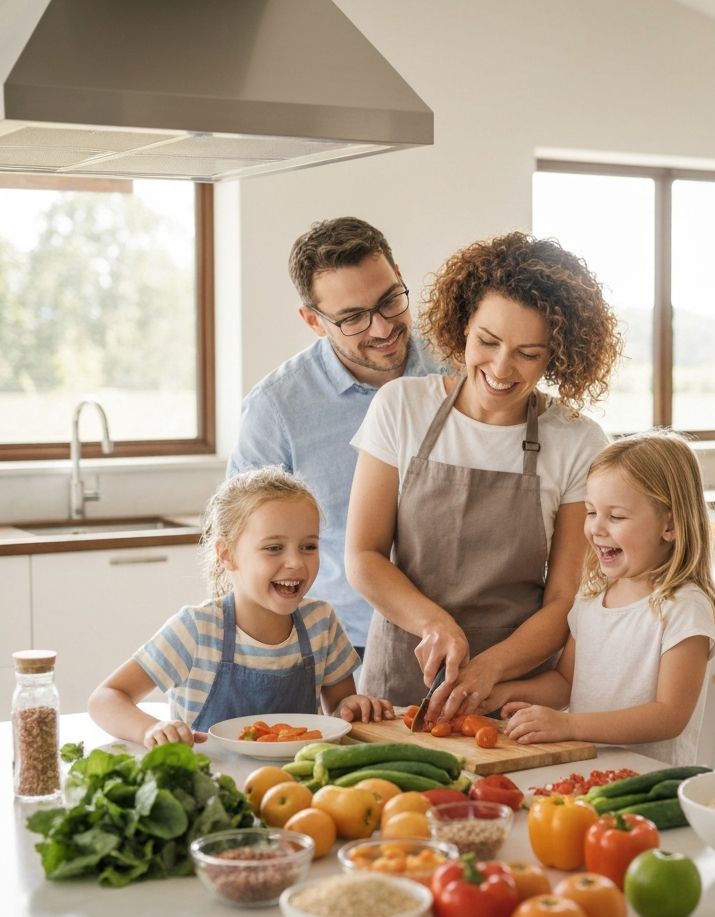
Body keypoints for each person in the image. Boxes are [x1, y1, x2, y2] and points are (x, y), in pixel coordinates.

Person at [346, 231, 622, 720]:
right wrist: (436, 625)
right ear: (462, 325)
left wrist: (487, 670)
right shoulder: (402, 408)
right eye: (487, 342)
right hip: (398, 684)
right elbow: (363, 557)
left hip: (510, 692)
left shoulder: (577, 440)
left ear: (556, 354)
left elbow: (564, 600)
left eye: (528, 353)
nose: (501, 368)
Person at [227, 217, 436, 658]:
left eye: (389, 302)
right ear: (313, 321)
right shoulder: (276, 409)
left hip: (470, 636)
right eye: (353, 318)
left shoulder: (460, 366)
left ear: (399, 276)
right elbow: (242, 548)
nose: (381, 329)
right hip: (343, 650)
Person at [88, 467, 392, 749]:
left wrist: (352, 706)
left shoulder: (320, 623)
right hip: (211, 790)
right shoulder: (197, 629)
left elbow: (339, 709)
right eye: (274, 548)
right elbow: (106, 697)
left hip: (296, 792)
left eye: (308, 546)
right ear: (227, 554)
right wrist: (150, 729)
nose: (296, 562)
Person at [485, 432, 715, 765]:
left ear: (668, 524)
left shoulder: (684, 608)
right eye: (591, 511)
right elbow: (565, 681)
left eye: (616, 516)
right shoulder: (592, 595)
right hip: (588, 773)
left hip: (645, 785)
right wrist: (506, 693)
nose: (597, 528)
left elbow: (669, 716)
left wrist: (568, 725)